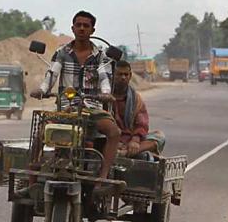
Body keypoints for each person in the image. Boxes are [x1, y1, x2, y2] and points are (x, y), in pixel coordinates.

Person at [30, 10, 121, 182]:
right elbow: (52, 74)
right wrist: (42, 90)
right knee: (39, 133)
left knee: (114, 132)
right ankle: (32, 180)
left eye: (86, 26)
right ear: (72, 28)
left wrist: (106, 94)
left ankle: (102, 177)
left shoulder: (100, 56)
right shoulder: (62, 52)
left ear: (92, 30)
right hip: (66, 108)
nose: (81, 28)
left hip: (92, 109)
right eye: (78, 25)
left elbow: (104, 78)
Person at [111, 61, 165, 158]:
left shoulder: (136, 99)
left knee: (159, 136)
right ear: (113, 75)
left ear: (130, 76)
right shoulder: (106, 96)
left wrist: (135, 140)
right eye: (119, 74)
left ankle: (125, 153)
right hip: (113, 139)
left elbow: (142, 123)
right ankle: (130, 151)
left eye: (125, 74)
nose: (123, 77)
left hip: (132, 139)